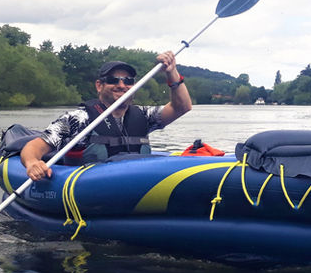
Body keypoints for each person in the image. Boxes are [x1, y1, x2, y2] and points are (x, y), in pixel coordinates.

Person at [21, 51, 192, 181]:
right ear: (99, 86)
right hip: (91, 190)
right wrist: (32, 163)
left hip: (136, 184)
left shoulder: (144, 116)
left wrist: (172, 72)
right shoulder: (79, 119)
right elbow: (35, 146)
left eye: (128, 81)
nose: (121, 85)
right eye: (113, 80)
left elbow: (182, 107)